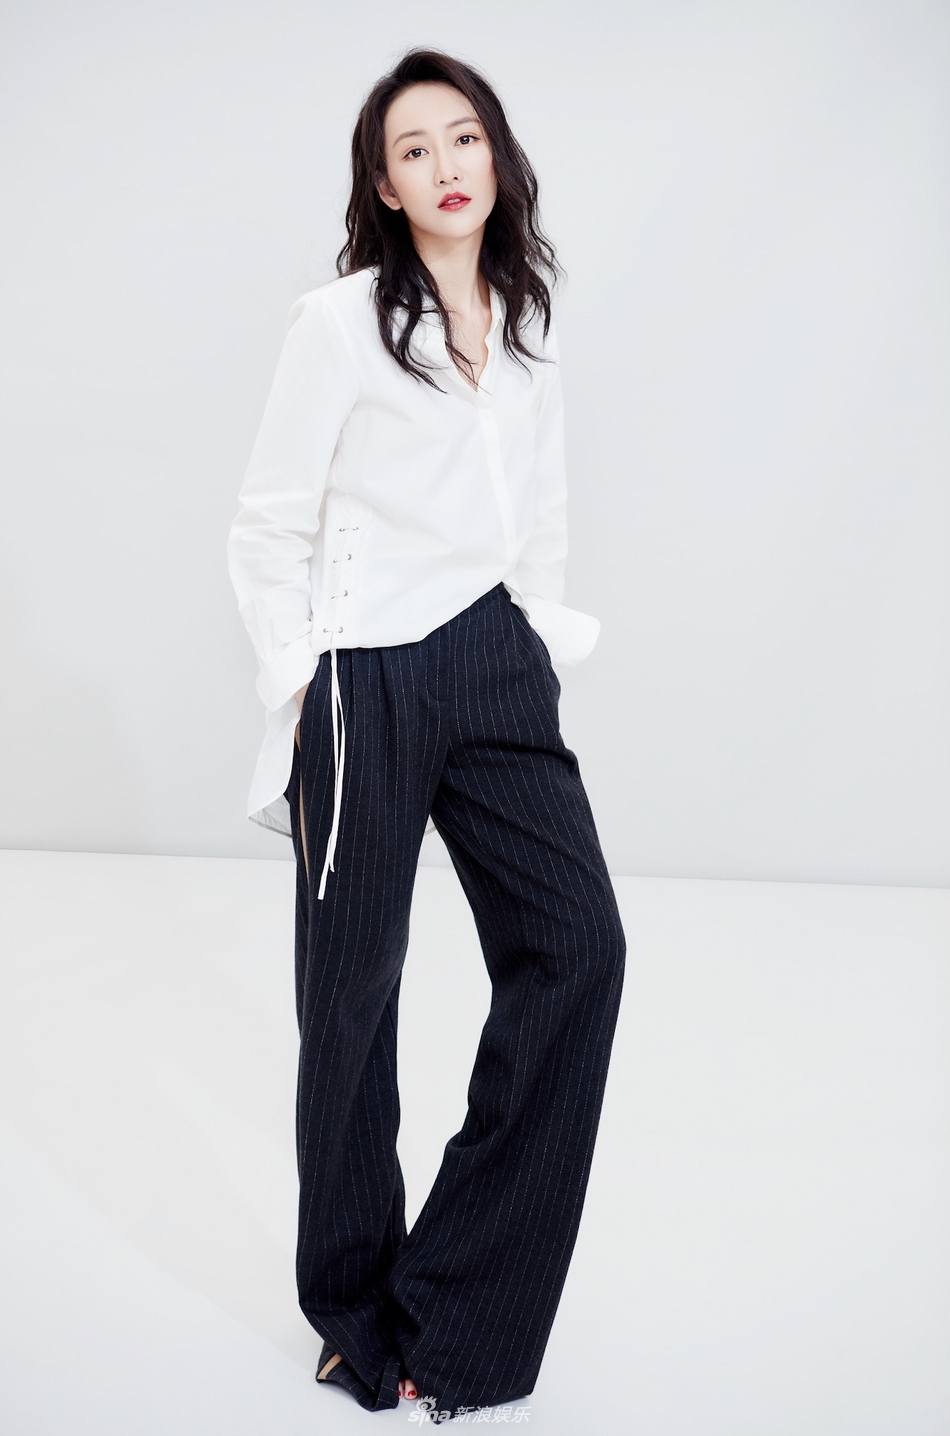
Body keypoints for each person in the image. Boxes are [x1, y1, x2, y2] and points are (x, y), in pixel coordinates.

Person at [226, 46, 626, 1420]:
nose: (446, 165)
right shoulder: (338, 323)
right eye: (414, 149)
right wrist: (305, 691)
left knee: (578, 949)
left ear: (495, 156)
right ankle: (351, 1310)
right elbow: (266, 523)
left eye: (464, 137)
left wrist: (535, 652)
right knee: (352, 1001)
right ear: (385, 187)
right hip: (365, 674)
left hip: (496, 660)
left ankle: (456, 1300)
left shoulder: (524, 319)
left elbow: (541, 513)